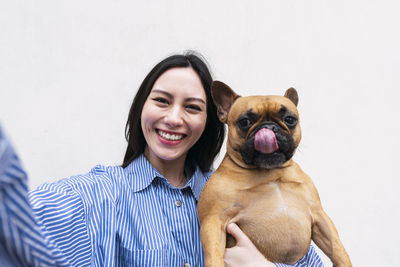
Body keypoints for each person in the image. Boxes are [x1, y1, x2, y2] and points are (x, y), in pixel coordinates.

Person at [0, 52, 323, 266]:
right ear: (141, 107)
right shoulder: (96, 195)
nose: (173, 118)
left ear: (212, 120)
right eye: (162, 101)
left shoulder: (254, 196)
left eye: (193, 107)